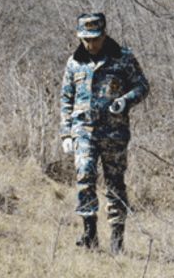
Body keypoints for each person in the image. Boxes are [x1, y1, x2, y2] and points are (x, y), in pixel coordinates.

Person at [59, 13, 150, 253]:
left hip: (114, 133)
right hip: (84, 131)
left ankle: (117, 239)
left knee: (115, 184)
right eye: (85, 39)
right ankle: (89, 233)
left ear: (104, 35)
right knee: (85, 176)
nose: (90, 44)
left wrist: (125, 100)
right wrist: (66, 134)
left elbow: (142, 85)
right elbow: (66, 99)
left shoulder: (123, 58)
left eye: (95, 39)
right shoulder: (74, 62)